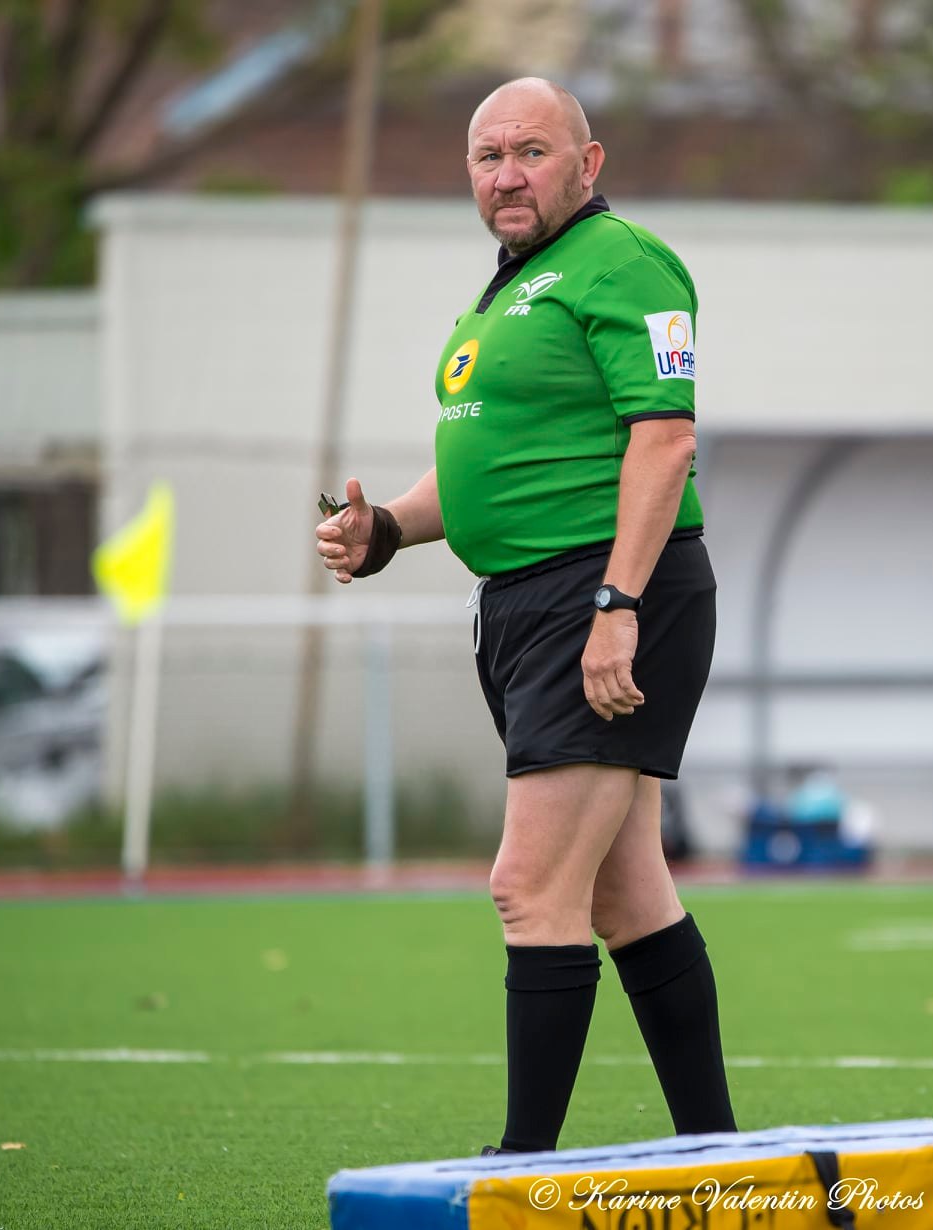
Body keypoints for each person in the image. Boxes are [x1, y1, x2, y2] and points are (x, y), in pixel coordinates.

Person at [313, 78, 735, 1154]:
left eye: (532, 151)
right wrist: (389, 530)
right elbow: (488, 469)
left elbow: (665, 440)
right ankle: (719, 1151)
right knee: (625, 893)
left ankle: (520, 1170)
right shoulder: (509, 292)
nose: (506, 173)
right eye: (486, 155)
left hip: (601, 593)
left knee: (526, 887)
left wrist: (615, 606)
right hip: (528, 604)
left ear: (588, 165)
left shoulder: (623, 262)